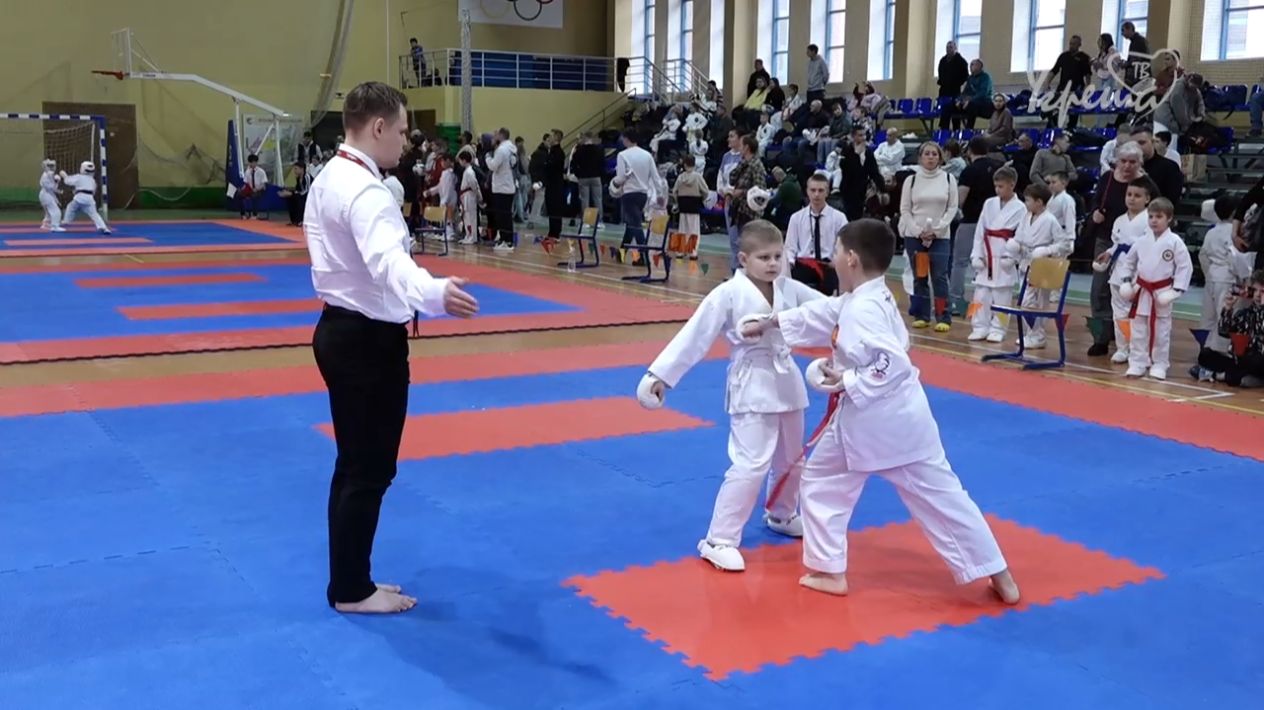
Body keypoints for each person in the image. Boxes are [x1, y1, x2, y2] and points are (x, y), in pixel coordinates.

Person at [740, 219, 1020, 603]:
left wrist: (847, 379)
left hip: (870, 419)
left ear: (851, 259)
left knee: (822, 482)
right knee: (944, 498)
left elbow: (893, 362)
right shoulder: (871, 295)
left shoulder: (863, 309)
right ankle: (999, 573)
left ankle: (829, 571)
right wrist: (773, 322)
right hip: (908, 421)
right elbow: (827, 313)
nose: (833, 258)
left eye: (837, 251)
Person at [305, 81, 479, 614]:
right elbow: (388, 263)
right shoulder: (366, 192)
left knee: (353, 465)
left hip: (339, 330)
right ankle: (352, 590)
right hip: (367, 343)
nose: (406, 142)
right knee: (370, 469)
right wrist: (433, 293)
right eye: (402, 131)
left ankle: (348, 579)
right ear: (377, 127)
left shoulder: (329, 176)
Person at [638, 220, 824, 572]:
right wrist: (661, 375)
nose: (773, 264)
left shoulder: (788, 287)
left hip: (787, 380)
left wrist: (862, 307)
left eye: (778, 256)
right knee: (751, 463)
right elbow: (696, 335)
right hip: (751, 383)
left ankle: (782, 514)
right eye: (764, 257)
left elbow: (826, 311)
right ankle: (719, 539)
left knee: (792, 458)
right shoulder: (727, 293)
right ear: (743, 259)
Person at [1113, 198, 1193, 380]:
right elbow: (1128, 262)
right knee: (1138, 330)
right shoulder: (1141, 241)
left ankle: (1159, 364)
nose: (1154, 220)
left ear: (1169, 218)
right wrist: (1126, 281)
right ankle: (1137, 363)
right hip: (1141, 290)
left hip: (1161, 292)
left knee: (1161, 331)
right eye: (1151, 216)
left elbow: (1185, 267)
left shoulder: (1175, 242)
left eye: (1159, 217)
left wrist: (1176, 291)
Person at [1093, 177, 1158, 364]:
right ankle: (1123, 348)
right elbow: (1117, 244)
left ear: (1147, 199)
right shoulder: (1120, 220)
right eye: (1129, 194)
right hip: (1118, 272)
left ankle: (1140, 350)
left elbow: (1149, 247)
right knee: (1119, 313)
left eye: (1137, 195)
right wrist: (1108, 253)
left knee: (1138, 313)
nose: (1131, 198)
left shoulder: (1150, 220)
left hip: (1139, 273)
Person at [900, 142, 959, 330]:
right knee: (920, 277)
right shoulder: (911, 180)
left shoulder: (949, 179)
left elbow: (952, 208)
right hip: (915, 236)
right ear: (920, 157)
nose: (931, 157)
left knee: (940, 277)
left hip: (940, 237)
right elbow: (905, 209)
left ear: (940, 158)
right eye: (927, 154)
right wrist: (917, 231)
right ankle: (922, 315)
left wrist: (937, 230)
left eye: (934, 154)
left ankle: (943, 317)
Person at [1008, 183, 1070, 349]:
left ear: (1039, 202)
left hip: (1042, 265)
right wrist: (1015, 246)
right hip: (1025, 263)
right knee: (1025, 301)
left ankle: (1038, 335)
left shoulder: (1050, 220)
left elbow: (1064, 244)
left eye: (1028, 200)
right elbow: (1019, 236)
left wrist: (1047, 250)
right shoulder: (1026, 217)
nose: (1026, 203)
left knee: (1037, 302)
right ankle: (1031, 333)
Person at [967, 167, 1025, 342]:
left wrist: (1012, 258)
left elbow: (1021, 236)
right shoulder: (989, 203)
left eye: (1001, 186)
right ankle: (979, 327)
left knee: (1002, 297)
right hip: (986, 253)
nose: (997, 190)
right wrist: (976, 255)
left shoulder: (1020, 208)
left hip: (1004, 254)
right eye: (996, 186)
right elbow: (980, 230)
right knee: (981, 294)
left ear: (1012, 185)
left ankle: (998, 329)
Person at [784, 173, 848, 295]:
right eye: (813, 190)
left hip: (829, 266)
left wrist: (837, 261)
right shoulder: (796, 218)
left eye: (820, 190)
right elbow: (790, 247)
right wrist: (788, 266)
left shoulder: (839, 218)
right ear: (807, 192)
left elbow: (845, 246)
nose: (816, 194)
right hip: (804, 264)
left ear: (827, 192)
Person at [486, 127, 518, 251]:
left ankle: (507, 241)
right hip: (508, 185)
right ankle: (505, 239)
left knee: (503, 216)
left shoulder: (501, 150)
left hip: (502, 187)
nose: (494, 137)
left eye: (496, 134)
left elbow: (493, 166)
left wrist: (488, 158)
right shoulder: (512, 148)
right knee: (505, 216)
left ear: (501, 135)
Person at [60, 161, 111, 233]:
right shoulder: (93, 180)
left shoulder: (79, 177)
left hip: (79, 198)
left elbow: (68, 181)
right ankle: (103, 227)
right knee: (95, 214)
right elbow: (93, 191)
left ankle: (67, 220)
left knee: (70, 207)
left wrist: (64, 175)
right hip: (89, 199)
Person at [38, 159, 65, 233]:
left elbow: (52, 188)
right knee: (55, 210)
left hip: (44, 194)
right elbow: (52, 187)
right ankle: (55, 226)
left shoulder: (46, 174)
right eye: (52, 166)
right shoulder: (49, 174)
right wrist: (57, 183)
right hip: (46, 194)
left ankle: (46, 224)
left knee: (48, 212)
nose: (54, 167)